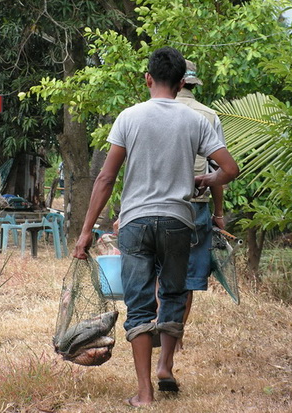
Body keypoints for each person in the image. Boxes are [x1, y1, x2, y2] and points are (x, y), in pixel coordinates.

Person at [73, 47, 239, 408]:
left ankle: (144, 393)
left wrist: (86, 231)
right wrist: (204, 179)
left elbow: (106, 177)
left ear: (148, 78)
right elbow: (229, 170)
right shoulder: (198, 121)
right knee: (175, 297)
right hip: (179, 222)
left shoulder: (129, 117)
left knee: (140, 305)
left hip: (135, 222)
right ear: (181, 83)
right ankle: (166, 366)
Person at [175, 59, 227, 351]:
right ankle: (177, 337)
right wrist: (218, 214)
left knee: (160, 271)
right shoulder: (209, 116)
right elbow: (219, 169)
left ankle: (160, 326)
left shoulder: (148, 112)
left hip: (158, 204)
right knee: (189, 275)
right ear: (192, 84)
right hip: (196, 205)